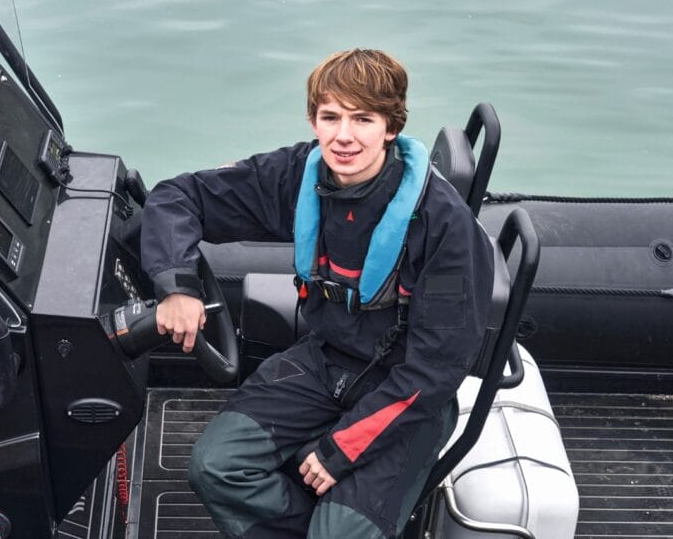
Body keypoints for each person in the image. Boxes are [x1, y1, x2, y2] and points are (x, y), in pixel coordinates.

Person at [141, 49, 494, 539]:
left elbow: (435, 370)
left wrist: (340, 450)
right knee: (216, 467)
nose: (343, 136)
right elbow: (179, 196)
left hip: (406, 395)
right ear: (314, 120)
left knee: (339, 531)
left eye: (362, 119)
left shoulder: (445, 225)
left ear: (390, 127)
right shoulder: (295, 176)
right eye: (330, 117)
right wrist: (177, 285)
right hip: (323, 361)